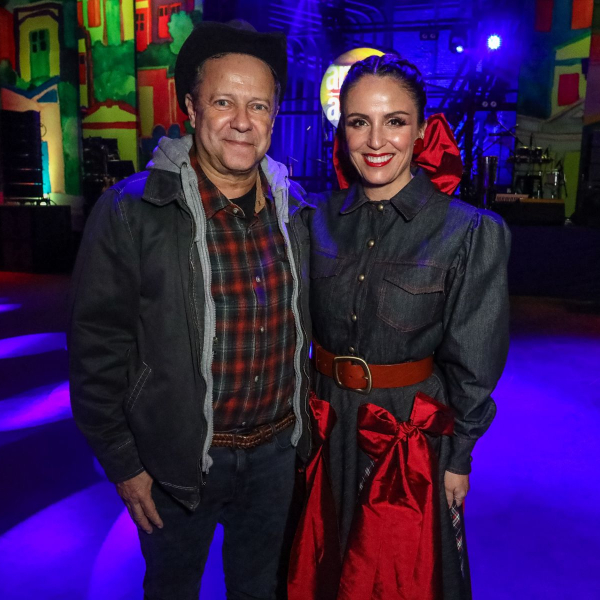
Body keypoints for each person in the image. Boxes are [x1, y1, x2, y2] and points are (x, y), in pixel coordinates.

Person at [69, 20, 314, 600]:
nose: (242, 121)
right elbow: (96, 349)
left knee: (261, 590)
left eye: (258, 105)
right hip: (177, 464)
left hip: (276, 457)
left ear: (274, 116)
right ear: (190, 107)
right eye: (223, 102)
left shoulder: (296, 211)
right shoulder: (133, 212)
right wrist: (124, 464)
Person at [301, 54, 510, 599]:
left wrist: (458, 457)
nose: (376, 140)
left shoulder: (467, 231)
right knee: (321, 570)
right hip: (323, 429)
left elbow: (474, 362)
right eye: (359, 122)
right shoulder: (312, 220)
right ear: (343, 130)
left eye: (395, 121)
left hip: (408, 440)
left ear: (420, 130)